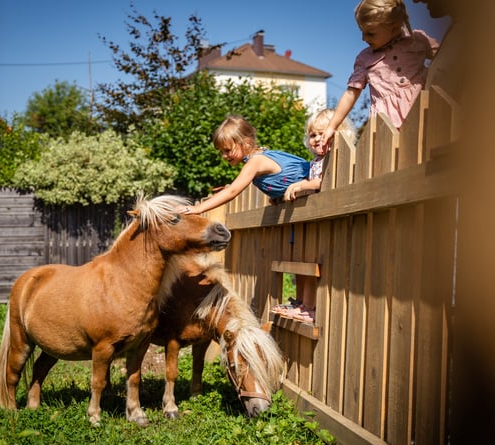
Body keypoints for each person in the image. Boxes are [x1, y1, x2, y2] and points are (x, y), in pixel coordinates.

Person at [271, 109, 357, 323]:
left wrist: (302, 184)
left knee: (316, 268)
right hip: (314, 222)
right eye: (313, 135)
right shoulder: (315, 162)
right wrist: (283, 197)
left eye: (322, 133)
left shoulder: (336, 157)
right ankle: (303, 303)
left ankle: (310, 307)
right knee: (305, 265)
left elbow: (324, 183)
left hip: (332, 221)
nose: (317, 139)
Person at [322, 0, 440, 151]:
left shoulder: (417, 40)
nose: (364, 38)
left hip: (424, 114)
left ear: (394, 27)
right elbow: (351, 93)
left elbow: (447, 57)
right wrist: (332, 125)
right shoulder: (365, 58)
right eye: (362, 32)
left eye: (370, 33)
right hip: (387, 124)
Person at [178, 115, 310, 215]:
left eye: (228, 150)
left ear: (246, 143)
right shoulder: (259, 157)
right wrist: (278, 196)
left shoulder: (255, 161)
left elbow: (232, 191)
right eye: (221, 152)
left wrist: (198, 208)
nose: (224, 156)